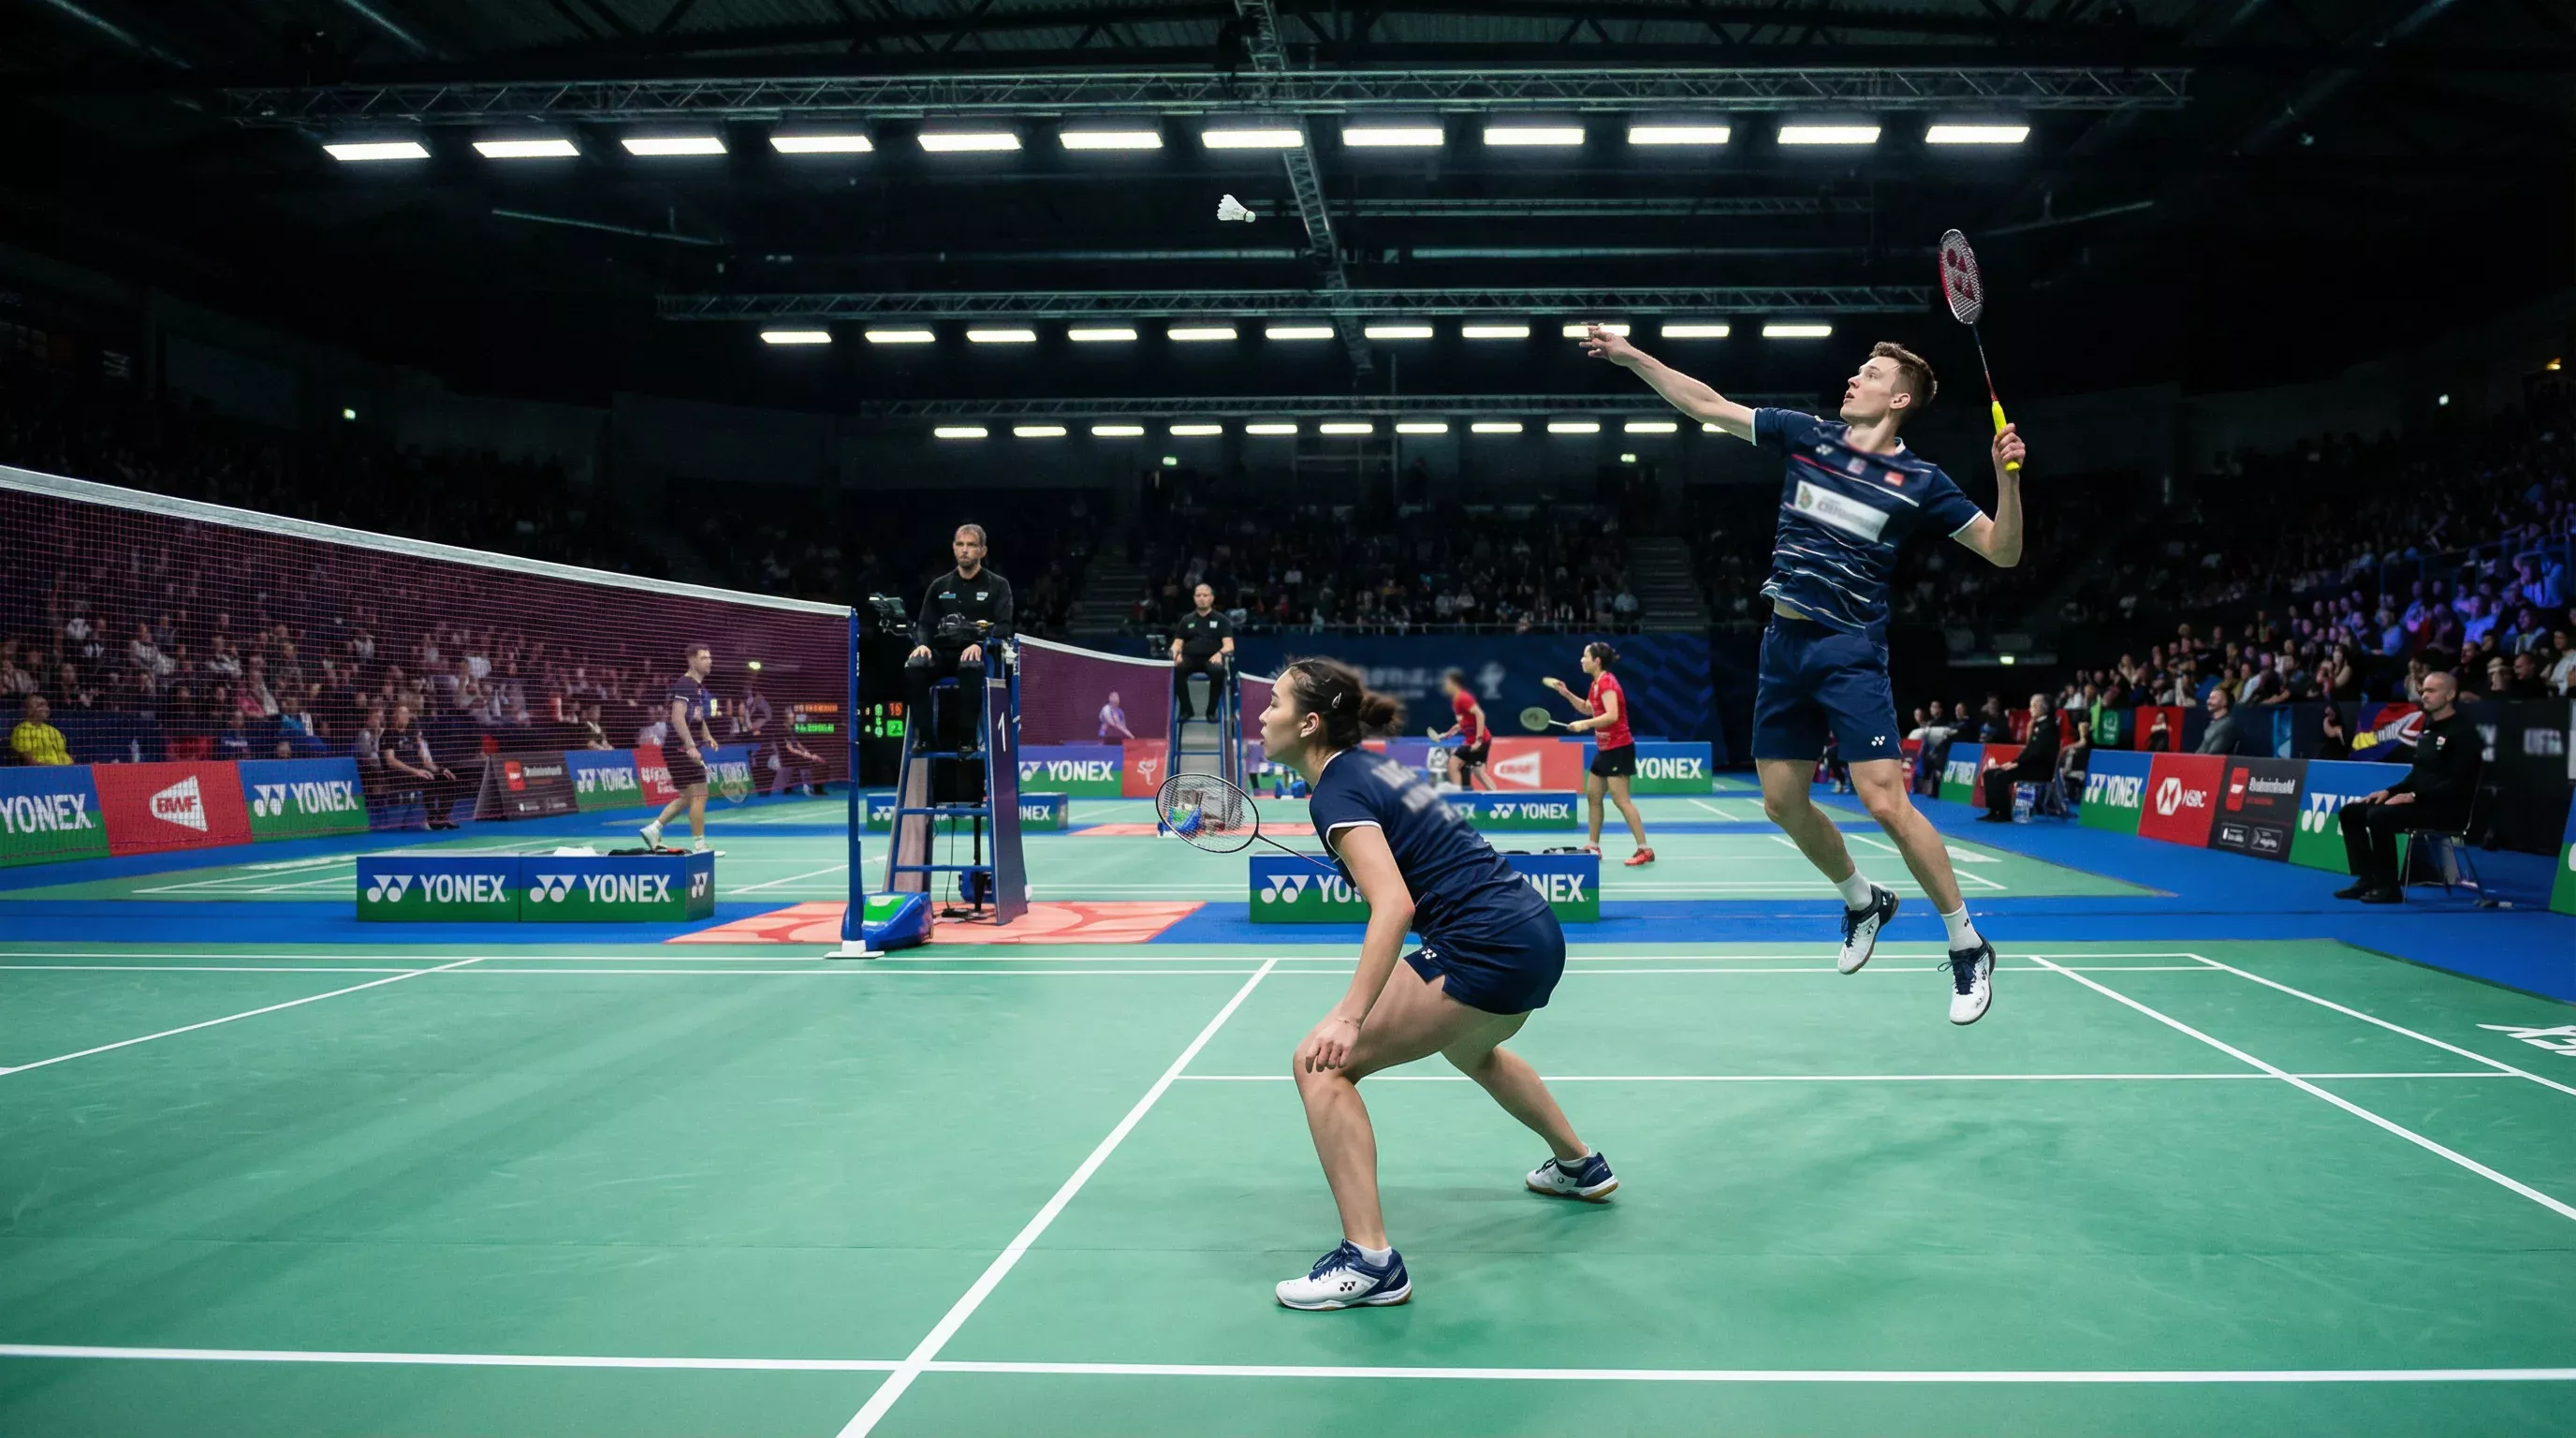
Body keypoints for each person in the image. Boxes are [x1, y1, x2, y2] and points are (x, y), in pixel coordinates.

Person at [1587, 328, 2025, 1024]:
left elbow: (2002, 551)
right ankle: (1863, 900)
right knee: (1782, 803)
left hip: (1848, 648)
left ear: (1899, 397)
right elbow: (1706, 405)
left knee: (1883, 802)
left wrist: (2006, 477)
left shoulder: (1923, 484)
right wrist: (1635, 357)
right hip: (1783, 643)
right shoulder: (1807, 436)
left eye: (1871, 373)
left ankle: (1967, 943)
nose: (1854, 379)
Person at [1259, 658, 1611, 1312]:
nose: (1261, 713)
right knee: (1472, 1049)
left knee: (1318, 1065)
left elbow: (1393, 906)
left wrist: (1349, 1016)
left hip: (1485, 945)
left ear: (1308, 723)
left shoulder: (1334, 790)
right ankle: (1578, 1165)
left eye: (1274, 702)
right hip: (1534, 932)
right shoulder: (1371, 769)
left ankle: (1370, 1262)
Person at [2335, 670, 2479, 903]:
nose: (2424, 695)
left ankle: (2389, 887)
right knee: (2351, 812)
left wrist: (2412, 796)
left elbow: (2458, 784)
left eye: (2432, 691)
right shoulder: (2429, 730)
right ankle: (2367, 878)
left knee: (2379, 816)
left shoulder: (2464, 734)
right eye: (2423, 691)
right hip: (2421, 801)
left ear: (2450, 694)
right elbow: (2417, 775)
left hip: (2447, 808)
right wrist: (2390, 792)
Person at [907, 524, 1015, 759]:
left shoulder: (998, 585)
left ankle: (967, 738)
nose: (965, 550)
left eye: (971, 545)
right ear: (954, 548)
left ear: (982, 551)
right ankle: (924, 737)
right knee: (914, 668)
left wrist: (982, 642)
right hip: (942, 653)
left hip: (978, 654)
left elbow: (1005, 625)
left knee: (970, 667)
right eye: (960, 544)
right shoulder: (939, 586)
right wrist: (922, 644)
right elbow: (925, 624)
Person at [1542, 641, 1653, 866]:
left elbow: (1612, 716)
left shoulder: (1608, 683)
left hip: (1619, 747)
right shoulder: (1595, 685)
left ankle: (1644, 849)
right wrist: (1566, 694)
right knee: (1593, 796)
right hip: (1605, 749)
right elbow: (1587, 707)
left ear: (1597, 661)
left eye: (1585, 656)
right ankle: (1593, 845)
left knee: (1621, 800)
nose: (1581, 660)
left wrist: (1583, 725)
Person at [639, 644, 721, 853]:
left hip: (677, 748)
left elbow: (697, 717)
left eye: (709, 657)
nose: (709, 661)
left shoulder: (697, 687)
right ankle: (701, 846)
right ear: (692, 661)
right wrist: (691, 746)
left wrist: (707, 735)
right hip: (680, 749)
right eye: (704, 658)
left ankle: (654, 828)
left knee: (687, 797)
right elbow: (677, 717)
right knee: (700, 795)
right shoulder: (685, 684)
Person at [1976, 694, 2061, 822]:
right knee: (1989, 774)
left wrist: (2018, 764)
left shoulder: (2048, 727)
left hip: (2040, 769)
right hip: (2029, 765)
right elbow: (2029, 750)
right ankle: (1993, 811)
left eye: (2033, 706)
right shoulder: (2038, 725)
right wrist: (2014, 762)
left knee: (2000, 775)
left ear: (2042, 708)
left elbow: (2038, 752)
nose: (2030, 709)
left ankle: (2004, 814)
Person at [382, 702, 461, 830]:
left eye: (407, 713)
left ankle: (441, 818)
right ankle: (433, 818)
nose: (406, 716)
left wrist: (440, 770)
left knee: (447, 778)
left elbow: (425, 761)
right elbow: (391, 761)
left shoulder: (412, 734)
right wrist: (416, 771)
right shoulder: (389, 734)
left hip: (419, 772)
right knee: (427, 779)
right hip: (399, 775)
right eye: (402, 713)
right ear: (394, 716)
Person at [1170, 582, 1235, 721]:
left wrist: (1220, 654)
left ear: (1211, 598)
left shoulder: (1222, 620)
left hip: (1211, 658)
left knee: (1218, 671)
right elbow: (1177, 643)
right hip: (1190, 658)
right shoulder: (1186, 620)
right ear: (1194, 598)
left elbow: (1229, 645)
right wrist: (1176, 653)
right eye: (1198, 595)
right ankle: (1187, 710)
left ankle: (1211, 712)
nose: (1202, 598)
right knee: (1176, 669)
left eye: (1205, 595)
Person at [1431, 668, 1491, 791]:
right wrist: (1449, 733)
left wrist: (1478, 740)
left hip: (1481, 740)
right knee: (1454, 764)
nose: (1445, 686)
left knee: (1479, 773)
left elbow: (1480, 715)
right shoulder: (1456, 700)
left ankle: (1498, 798)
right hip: (1470, 741)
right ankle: (1458, 795)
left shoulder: (1464, 698)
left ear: (1454, 683)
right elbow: (1464, 722)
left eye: (1446, 683)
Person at [9, 695, 70, 766]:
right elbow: (29, 760)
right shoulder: (22, 731)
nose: (46, 708)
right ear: (30, 710)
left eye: (46, 705)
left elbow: (63, 754)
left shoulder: (53, 731)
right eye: (41, 705)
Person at [2196, 687, 2242, 756]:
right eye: (2209, 698)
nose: (2208, 701)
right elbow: (2202, 749)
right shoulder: (2214, 723)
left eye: (2213, 698)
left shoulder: (2228, 724)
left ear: (2224, 702)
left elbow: (2214, 753)